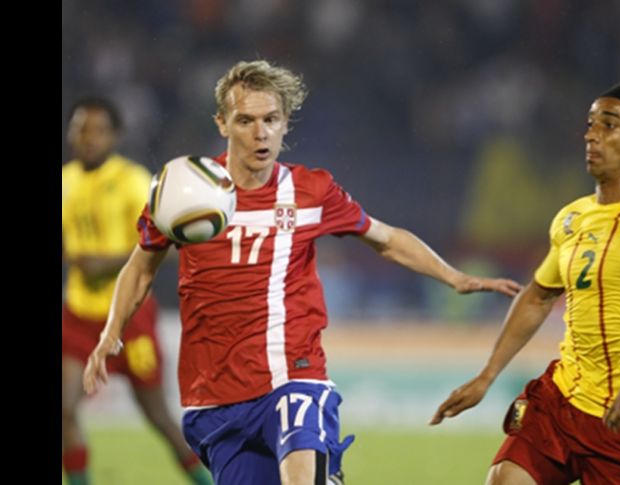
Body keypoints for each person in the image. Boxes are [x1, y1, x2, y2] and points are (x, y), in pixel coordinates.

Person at [82, 60, 522, 485]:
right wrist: (110, 334)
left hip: (294, 374)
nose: (261, 133)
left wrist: (455, 278)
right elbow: (140, 268)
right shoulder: (184, 191)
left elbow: (385, 239)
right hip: (215, 394)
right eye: (246, 120)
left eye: (271, 119)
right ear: (221, 123)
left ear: (286, 123)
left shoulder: (311, 191)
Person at [431, 80, 620, 485]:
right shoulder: (571, 217)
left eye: (609, 124)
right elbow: (539, 296)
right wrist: (487, 375)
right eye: (591, 123)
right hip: (561, 401)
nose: (591, 134)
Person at [62, 97, 213, 485]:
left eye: (97, 130)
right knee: (63, 409)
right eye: (81, 129)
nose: (88, 138)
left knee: (160, 419)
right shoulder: (65, 182)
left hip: (132, 318)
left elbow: (167, 245)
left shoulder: (133, 181)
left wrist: (105, 263)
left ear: (115, 136)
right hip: (78, 315)